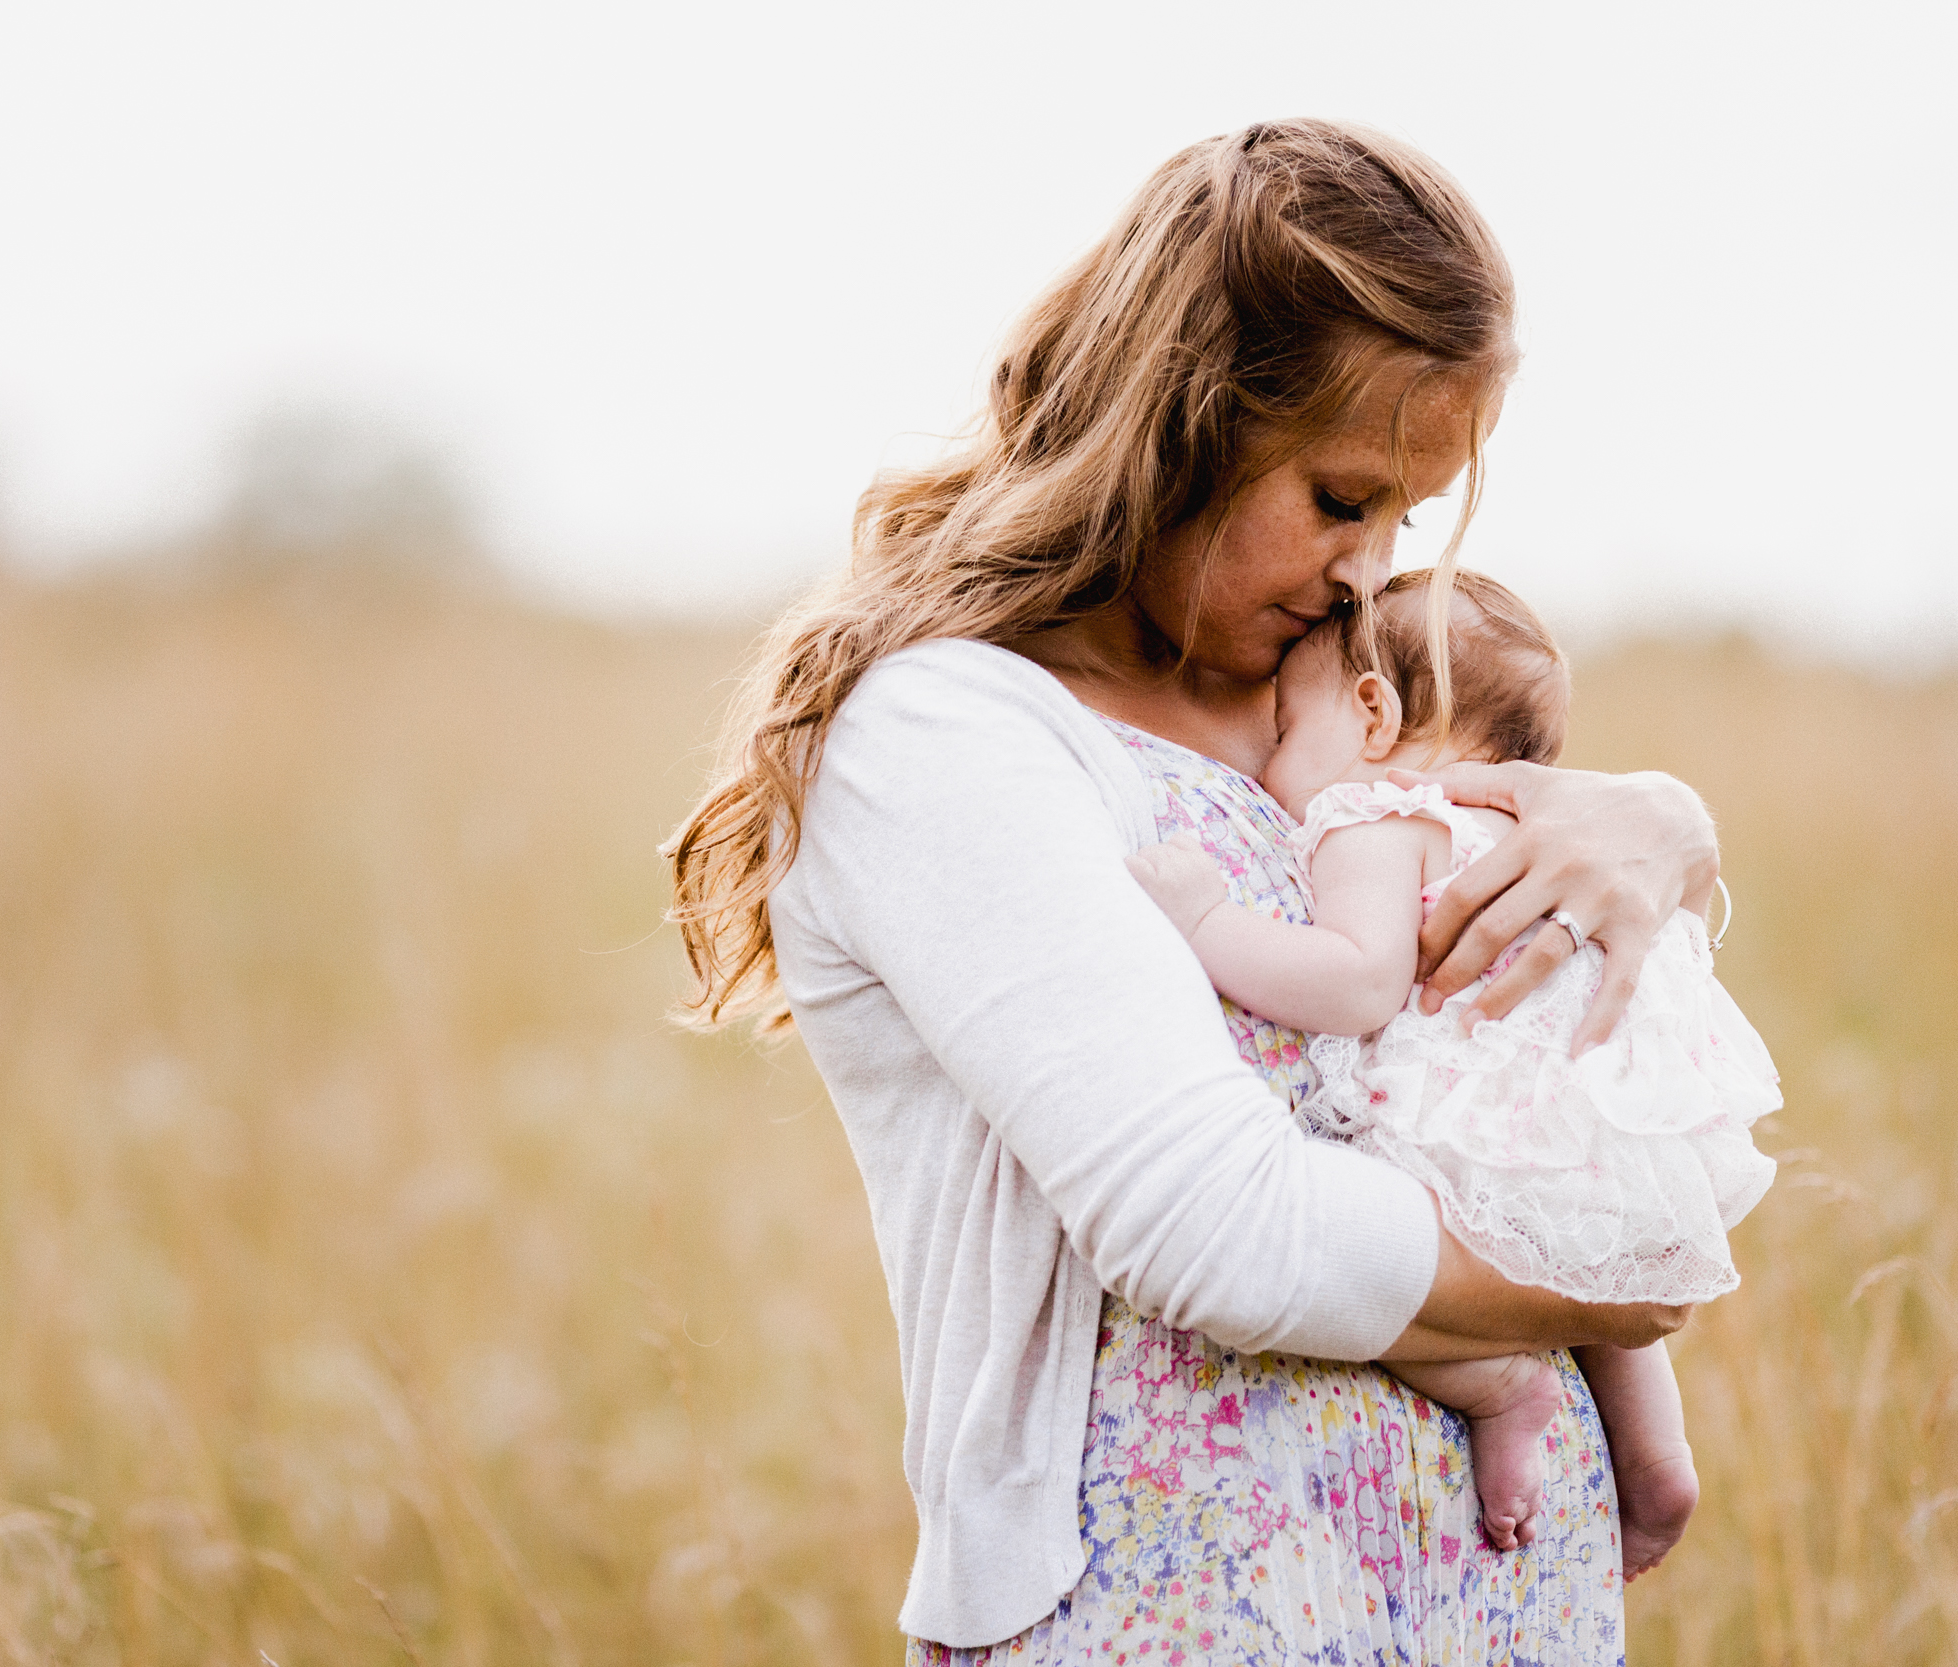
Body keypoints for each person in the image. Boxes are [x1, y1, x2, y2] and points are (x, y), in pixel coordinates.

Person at [667, 118, 1713, 1659]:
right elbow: (1218, 1234)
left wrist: (1663, 822)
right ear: (1182, 429)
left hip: (1501, 1593)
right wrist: (1624, 1280)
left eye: (1408, 519)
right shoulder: (951, 735)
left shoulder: (1332, 697)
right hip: (1165, 1598)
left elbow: (1553, 976)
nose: (1371, 571)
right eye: (1342, 497)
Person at [1124, 567, 1780, 1579]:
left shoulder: (1373, 815)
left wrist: (1203, 922)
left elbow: (1358, 982)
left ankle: (1491, 1385)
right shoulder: (1530, 835)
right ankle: (1660, 1458)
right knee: (1588, 1262)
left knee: (1350, 1227)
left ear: (1371, 714)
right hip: (1599, 1130)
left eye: (1287, 726)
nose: (1269, 763)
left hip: (1471, 1123)